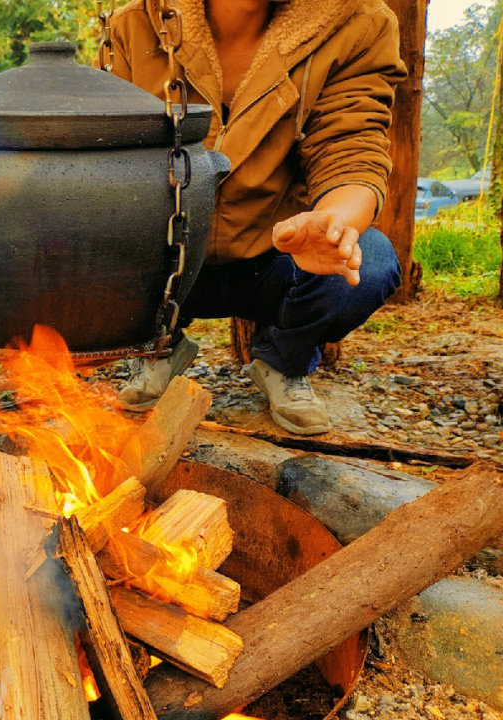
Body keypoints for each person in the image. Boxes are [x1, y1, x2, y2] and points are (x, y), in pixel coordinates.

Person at [106, 0, 407, 435]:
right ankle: (158, 347)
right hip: (167, 257)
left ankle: (283, 361)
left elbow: (352, 149)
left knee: (370, 262)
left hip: (281, 257)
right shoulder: (134, 23)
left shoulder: (358, 23)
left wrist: (330, 223)